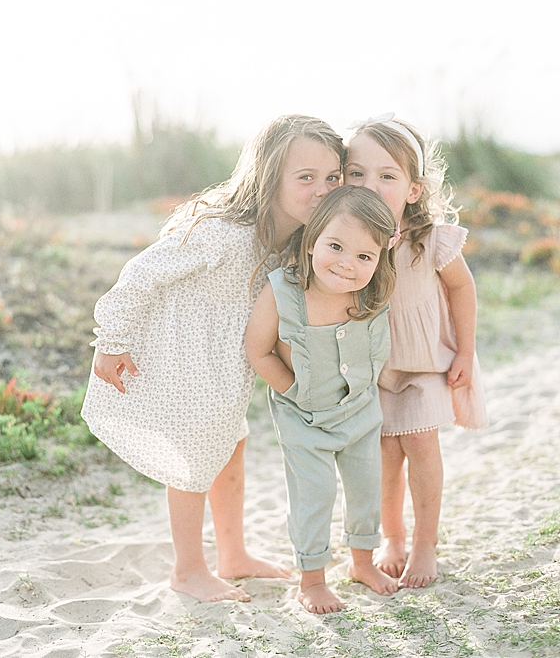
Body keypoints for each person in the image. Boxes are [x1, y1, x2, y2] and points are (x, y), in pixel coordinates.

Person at [81, 115, 344, 602]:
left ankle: (233, 554)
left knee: (231, 448)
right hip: (182, 356)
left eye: (333, 178)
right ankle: (188, 569)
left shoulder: (291, 238)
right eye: (305, 177)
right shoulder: (224, 231)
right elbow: (142, 272)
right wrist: (111, 339)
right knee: (196, 458)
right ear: (269, 176)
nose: (321, 189)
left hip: (223, 365)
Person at [344, 114, 487, 588]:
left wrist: (465, 352)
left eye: (388, 175)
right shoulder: (349, 238)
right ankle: (393, 537)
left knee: (421, 445)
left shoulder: (431, 239)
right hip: (377, 369)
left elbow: (463, 290)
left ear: (413, 189)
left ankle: (425, 545)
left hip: (427, 363)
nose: (370, 184)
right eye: (357, 173)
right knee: (385, 455)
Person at [245, 186, 400, 614]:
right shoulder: (283, 292)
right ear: (312, 241)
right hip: (304, 420)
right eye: (336, 246)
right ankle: (311, 580)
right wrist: (291, 390)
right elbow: (258, 350)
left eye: (364, 256)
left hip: (360, 414)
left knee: (367, 488)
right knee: (315, 494)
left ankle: (363, 562)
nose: (348, 264)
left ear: (379, 259)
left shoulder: (370, 294)